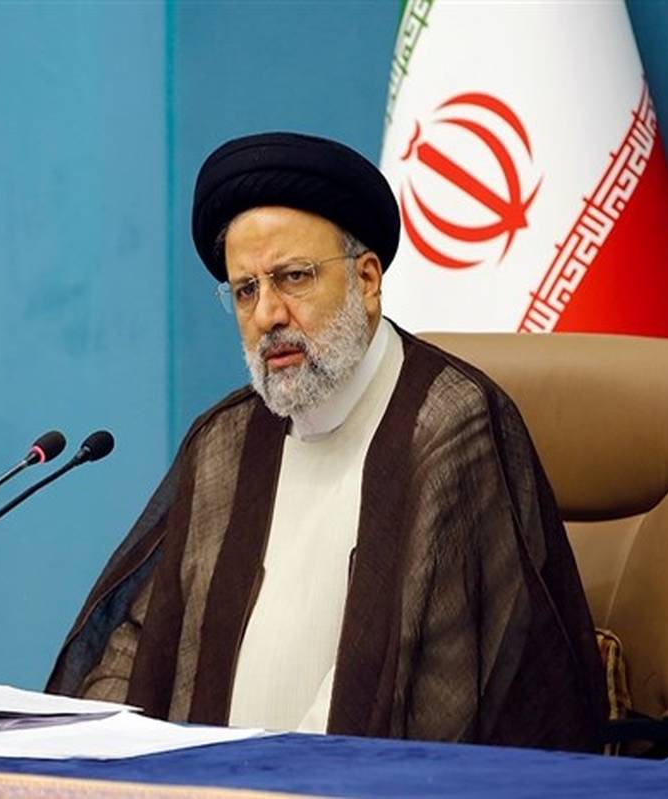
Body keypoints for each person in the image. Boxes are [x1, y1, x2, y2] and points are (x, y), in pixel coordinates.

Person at [47, 132, 608, 752]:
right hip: (216, 784)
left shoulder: (450, 424)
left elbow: (429, 689)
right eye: (246, 290)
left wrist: (267, 775)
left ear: (367, 280)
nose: (268, 314)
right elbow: (140, 637)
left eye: (293, 277)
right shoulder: (225, 442)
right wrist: (73, 747)